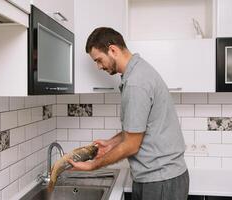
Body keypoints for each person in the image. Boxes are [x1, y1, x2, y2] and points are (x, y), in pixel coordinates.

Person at [68, 27, 189, 200]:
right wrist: (111, 143)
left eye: (99, 60)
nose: (98, 66)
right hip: (159, 178)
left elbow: (131, 145)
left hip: (161, 181)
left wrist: (93, 165)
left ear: (113, 50)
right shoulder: (137, 72)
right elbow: (137, 128)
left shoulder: (135, 83)